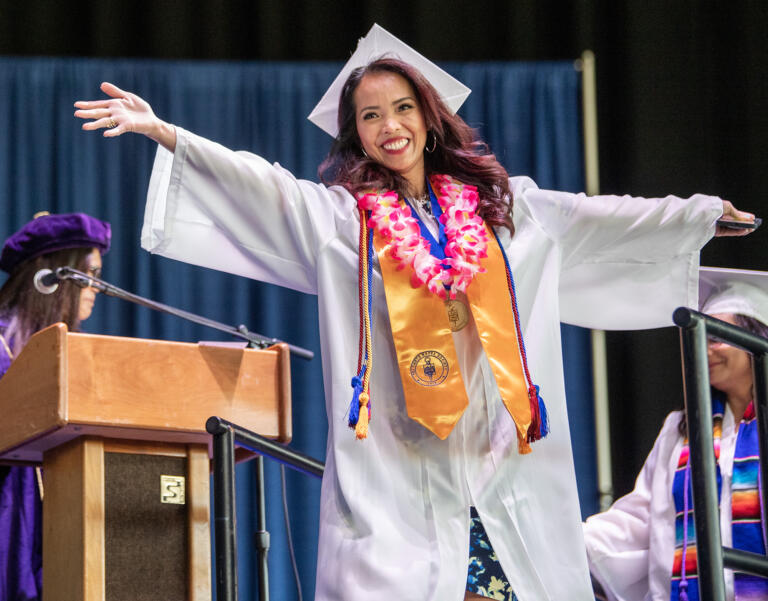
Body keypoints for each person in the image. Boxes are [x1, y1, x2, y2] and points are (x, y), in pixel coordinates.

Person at [74, 24, 755, 601]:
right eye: (370, 116)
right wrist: (166, 132)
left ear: (428, 117)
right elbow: (268, 189)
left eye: (401, 108)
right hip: (400, 463)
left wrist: (694, 217)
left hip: (495, 456)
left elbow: (598, 219)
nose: (388, 126)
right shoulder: (348, 223)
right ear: (357, 134)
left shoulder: (503, 212)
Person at [582, 267, 768, 601]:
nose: (705, 350)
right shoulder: (682, 429)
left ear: (754, 339)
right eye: (699, 340)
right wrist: (567, 540)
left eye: (716, 337)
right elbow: (642, 520)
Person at [0, 211, 111, 601]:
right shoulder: (1, 349)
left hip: (59, 533)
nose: (96, 287)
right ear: (51, 279)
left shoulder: (72, 357)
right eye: (90, 275)